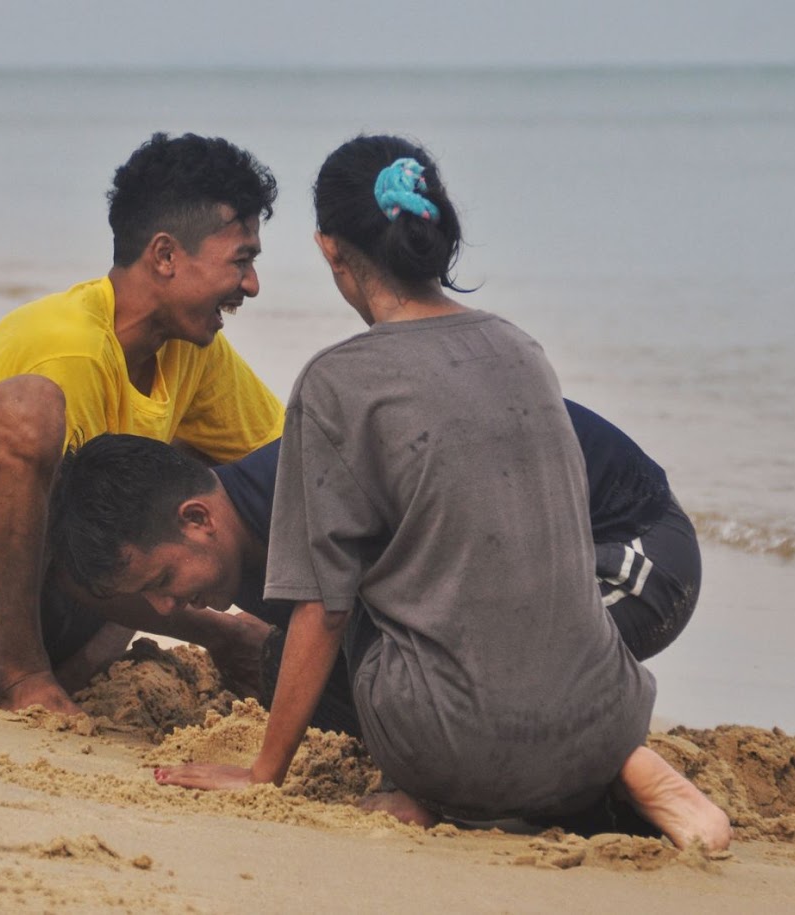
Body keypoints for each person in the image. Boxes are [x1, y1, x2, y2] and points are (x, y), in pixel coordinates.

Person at [129, 135, 728, 849]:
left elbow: (323, 604)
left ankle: (417, 787)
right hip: (605, 720)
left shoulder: (334, 383)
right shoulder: (521, 349)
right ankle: (615, 772)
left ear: (329, 249)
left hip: (442, 744)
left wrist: (263, 770)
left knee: (359, 573)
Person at [0, 133, 286, 717]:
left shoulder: (194, 346)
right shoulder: (70, 349)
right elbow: (74, 546)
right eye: (241, 260)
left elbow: (290, 468)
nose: (252, 285)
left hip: (65, 614)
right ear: (164, 256)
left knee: (202, 477)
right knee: (30, 411)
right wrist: (221, 633)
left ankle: (69, 671)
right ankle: (24, 677)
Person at [50, 395, 701, 735]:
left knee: (466, 700)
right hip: (501, 575)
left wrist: (401, 782)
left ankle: (625, 768)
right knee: (290, 671)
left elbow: (446, 623)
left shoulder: (313, 498)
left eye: (163, 581)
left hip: (628, 548)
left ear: (197, 518)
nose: (166, 611)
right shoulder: (234, 540)